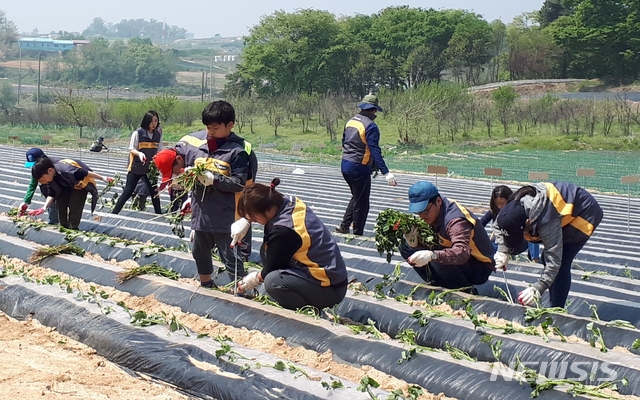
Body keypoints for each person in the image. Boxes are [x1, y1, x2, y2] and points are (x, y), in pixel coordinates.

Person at [153, 101, 250, 288]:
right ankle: (207, 285)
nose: (210, 131)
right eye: (208, 127)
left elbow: (239, 184)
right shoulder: (201, 149)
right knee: (199, 251)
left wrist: (214, 180)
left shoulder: (236, 152)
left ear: (230, 125)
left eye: (215, 127)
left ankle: (242, 291)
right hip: (202, 213)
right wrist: (190, 196)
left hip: (225, 215)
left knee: (229, 255)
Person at [233, 178, 348, 311]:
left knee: (273, 282)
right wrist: (246, 220)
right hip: (321, 274)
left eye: (255, 217)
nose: (254, 221)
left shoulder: (285, 229)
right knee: (265, 251)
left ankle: (308, 311)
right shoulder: (284, 201)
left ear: (268, 209)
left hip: (329, 287)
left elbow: (270, 269)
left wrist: (250, 281)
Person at [494, 181, 603, 308]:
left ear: (528, 222)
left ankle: (556, 308)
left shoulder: (546, 221)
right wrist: (502, 250)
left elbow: (554, 260)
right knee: (547, 259)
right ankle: (554, 301)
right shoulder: (511, 208)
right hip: (560, 212)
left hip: (584, 213)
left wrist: (538, 288)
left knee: (561, 261)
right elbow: (498, 225)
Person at [400, 181, 495, 291]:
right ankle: (437, 283)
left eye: (425, 212)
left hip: (479, 266)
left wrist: (433, 255)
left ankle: (465, 289)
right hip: (457, 258)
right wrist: (415, 244)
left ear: (438, 201)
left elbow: (461, 252)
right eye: (418, 212)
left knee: (438, 259)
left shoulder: (456, 221)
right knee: (406, 247)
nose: (421, 216)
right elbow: (434, 242)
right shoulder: (434, 211)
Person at [336, 94, 397, 236]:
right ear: (374, 110)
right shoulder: (371, 126)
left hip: (345, 165)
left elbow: (344, 141)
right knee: (362, 203)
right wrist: (386, 172)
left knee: (357, 197)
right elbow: (374, 150)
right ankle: (357, 232)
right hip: (359, 168)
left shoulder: (351, 121)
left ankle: (344, 226)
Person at [30, 157, 112, 230]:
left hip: (79, 185)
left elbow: (86, 172)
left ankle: (73, 228)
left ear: (50, 170)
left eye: (42, 179)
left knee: (75, 206)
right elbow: (51, 194)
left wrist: (103, 178)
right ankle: (64, 227)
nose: (42, 182)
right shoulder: (51, 178)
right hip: (66, 186)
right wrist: (44, 207)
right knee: (60, 204)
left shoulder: (67, 170)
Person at [112, 110, 163, 214]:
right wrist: (140, 154)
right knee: (128, 191)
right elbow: (132, 149)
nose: (154, 124)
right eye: (151, 121)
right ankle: (114, 213)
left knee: (154, 192)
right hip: (136, 167)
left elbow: (160, 151)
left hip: (150, 169)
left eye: (156, 121)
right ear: (146, 121)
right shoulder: (138, 133)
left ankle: (159, 213)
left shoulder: (158, 135)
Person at [480, 185, 541, 263]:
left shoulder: (518, 211)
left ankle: (535, 259)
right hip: (503, 243)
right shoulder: (494, 212)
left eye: (502, 203)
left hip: (518, 243)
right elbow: (481, 223)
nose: (500, 207)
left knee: (532, 236)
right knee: (489, 247)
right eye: (497, 204)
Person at [19, 148, 58, 225]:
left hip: (58, 191)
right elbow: (32, 185)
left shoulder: (53, 167)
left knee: (55, 206)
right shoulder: (36, 170)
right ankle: (54, 222)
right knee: (51, 207)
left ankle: (56, 223)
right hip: (48, 193)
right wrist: (26, 201)